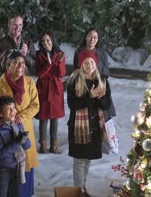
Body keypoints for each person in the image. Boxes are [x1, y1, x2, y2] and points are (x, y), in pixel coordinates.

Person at [0, 50, 39, 197]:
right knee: (8, 164)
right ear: (8, 65)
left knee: (25, 162)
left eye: (22, 62)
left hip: (23, 127)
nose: (20, 65)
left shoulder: (29, 82)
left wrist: (21, 116)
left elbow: (35, 105)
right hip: (5, 134)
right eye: (16, 62)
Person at [67, 56, 112, 197]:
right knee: (79, 160)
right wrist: (90, 95)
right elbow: (73, 105)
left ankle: (83, 188)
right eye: (86, 62)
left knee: (87, 160)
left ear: (95, 63)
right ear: (81, 64)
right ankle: (79, 191)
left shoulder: (102, 80)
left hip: (95, 127)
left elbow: (107, 105)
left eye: (91, 62)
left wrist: (100, 97)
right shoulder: (74, 80)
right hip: (78, 128)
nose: (89, 65)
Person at [0, 95, 31, 197]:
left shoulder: (17, 124)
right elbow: (0, 154)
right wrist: (17, 143)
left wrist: (24, 138)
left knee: (14, 194)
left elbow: (27, 146)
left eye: (13, 107)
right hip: (2, 169)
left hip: (16, 166)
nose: (13, 111)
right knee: (1, 194)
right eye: (8, 109)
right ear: (0, 114)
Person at [73, 27, 116, 119]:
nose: (92, 39)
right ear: (85, 37)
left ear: (98, 39)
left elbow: (106, 71)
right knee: (86, 117)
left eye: (95, 37)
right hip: (84, 86)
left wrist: (101, 83)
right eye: (90, 36)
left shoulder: (102, 53)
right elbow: (76, 71)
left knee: (103, 117)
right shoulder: (79, 52)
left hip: (100, 86)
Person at [34, 32, 65, 154]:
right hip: (43, 89)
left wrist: (58, 62)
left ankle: (54, 145)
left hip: (56, 89)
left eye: (48, 40)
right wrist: (49, 64)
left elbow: (61, 73)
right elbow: (40, 74)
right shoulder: (39, 55)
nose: (45, 43)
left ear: (52, 41)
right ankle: (43, 145)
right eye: (43, 41)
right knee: (43, 117)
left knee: (54, 118)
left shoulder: (60, 54)